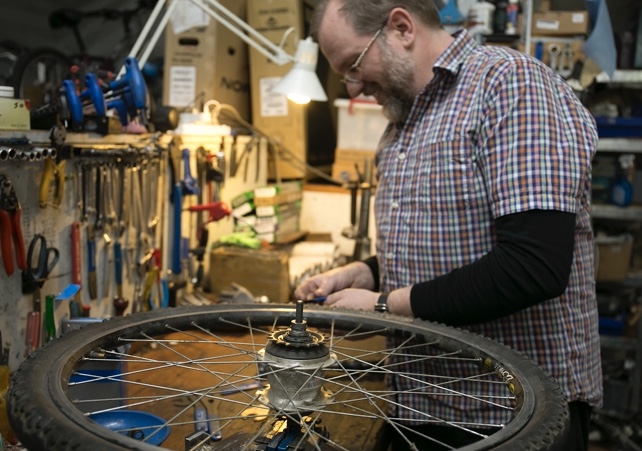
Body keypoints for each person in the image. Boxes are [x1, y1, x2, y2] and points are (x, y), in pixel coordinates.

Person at [295, 1, 603, 450]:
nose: (355, 87)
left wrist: (383, 305)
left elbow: (533, 265)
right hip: (421, 410)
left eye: (354, 65)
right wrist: (367, 272)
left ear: (401, 27)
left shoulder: (510, 85)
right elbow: (450, 241)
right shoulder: (405, 122)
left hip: (512, 420)